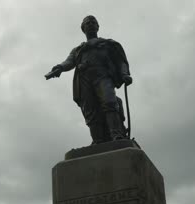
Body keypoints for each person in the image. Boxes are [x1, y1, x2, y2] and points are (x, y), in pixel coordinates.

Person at [47, 15, 132, 144]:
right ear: (83, 28)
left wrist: (124, 73)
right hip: (84, 79)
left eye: (93, 22)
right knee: (90, 110)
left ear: (98, 27)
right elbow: (69, 62)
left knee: (109, 102)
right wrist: (59, 68)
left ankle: (117, 135)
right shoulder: (78, 50)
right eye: (87, 23)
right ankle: (97, 141)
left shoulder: (108, 44)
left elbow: (120, 61)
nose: (91, 24)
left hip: (103, 76)